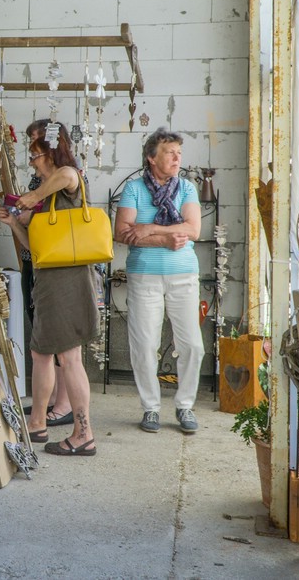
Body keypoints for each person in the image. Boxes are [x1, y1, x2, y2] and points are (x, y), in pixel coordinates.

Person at [0, 128, 98, 457]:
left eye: (35, 154)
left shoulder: (67, 178)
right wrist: (15, 225)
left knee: (69, 358)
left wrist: (30, 199)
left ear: (52, 154)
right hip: (48, 278)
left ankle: (84, 433)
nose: (32, 161)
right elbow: (37, 249)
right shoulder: (48, 196)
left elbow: (67, 173)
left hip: (67, 281)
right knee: (41, 353)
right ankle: (38, 422)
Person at [114, 128, 204, 434]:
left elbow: (193, 231)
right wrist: (165, 236)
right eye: (170, 151)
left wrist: (147, 229)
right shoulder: (134, 189)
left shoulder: (187, 189)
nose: (177, 157)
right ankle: (151, 408)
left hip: (183, 275)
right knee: (144, 345)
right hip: (144, 276)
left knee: (192, 344)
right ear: (152, 158)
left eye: (179, 151)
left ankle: (185, 406)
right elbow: (123, 233)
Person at [17, 119, 72, 428]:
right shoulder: (38, 181)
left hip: (59, 268)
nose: (32, 154)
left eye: (36, 145)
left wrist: (33, 202)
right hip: (35, 260)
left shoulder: (67, 176)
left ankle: (63, 404)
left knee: (62, 344)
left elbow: (65, 180)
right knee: (42, 335)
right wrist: (17, 218)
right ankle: (50, 400)